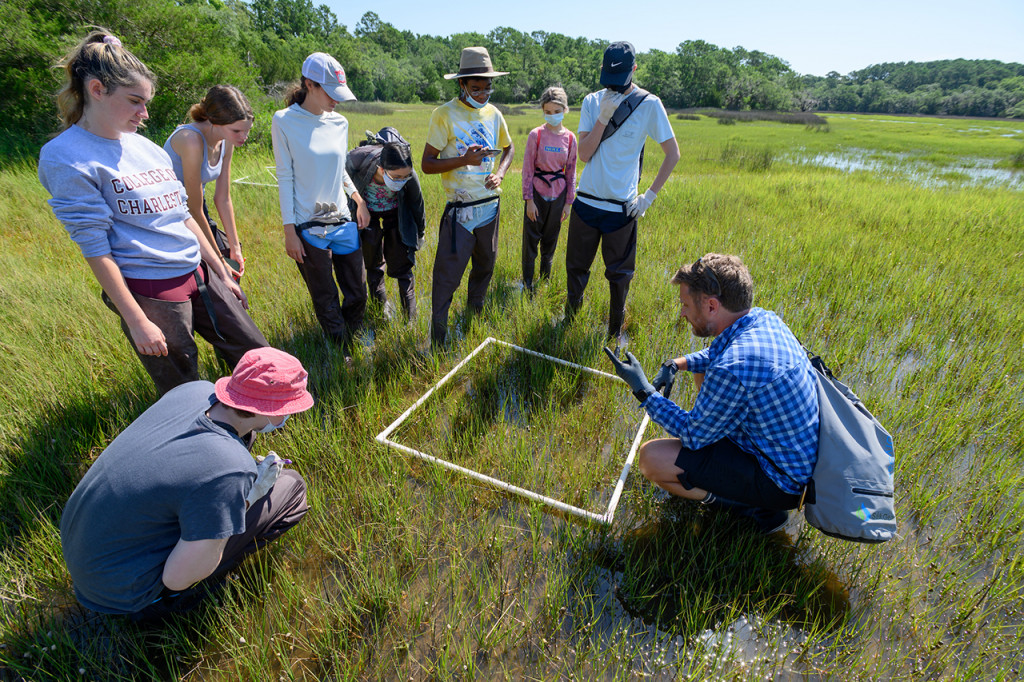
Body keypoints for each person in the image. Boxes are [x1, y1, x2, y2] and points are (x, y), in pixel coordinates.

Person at [37, 31, 269, 395]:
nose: (144, 114)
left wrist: (221, 271)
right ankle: (209, 449)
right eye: (134, 101)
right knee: (184, 388)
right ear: (97, 90)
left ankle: (254, 431)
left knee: (257, 356)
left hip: (199, 272)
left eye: (146, 102)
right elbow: (95, 248)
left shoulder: (146, 147)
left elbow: (184, 215)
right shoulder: (66, 156)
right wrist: (135, 320)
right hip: (153, 290)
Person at [60, 347, 314, 620]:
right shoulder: (229, 468)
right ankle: (181, 605)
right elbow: (176, 579)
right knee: (292, 486)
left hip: (88, 556)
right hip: (126, 595)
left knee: (242, 444)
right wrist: (251, 495)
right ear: (276, 413)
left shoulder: (195, 391)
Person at [605, 254, 820, 534]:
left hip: (781, 482)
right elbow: (716, 354)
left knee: (651, 459)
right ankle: (741, 490)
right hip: (790, 459)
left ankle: (749, 507)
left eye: (685, 304)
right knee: (700, 370)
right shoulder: (764, 320)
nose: (682, 312)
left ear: (711, 305)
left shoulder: (733, 369)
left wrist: (644, 391)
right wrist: (676, 364)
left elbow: (693, 435)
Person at [567, 41, 680, 339]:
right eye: (609, 81)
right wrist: (603, 116)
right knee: (576, 268)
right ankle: (570, 320)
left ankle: (614, 333)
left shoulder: (649, 105)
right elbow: (584, 154)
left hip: (621, 209)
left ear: (634, 69)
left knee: (620, 277)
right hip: (586, 204)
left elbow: (673, 154)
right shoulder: (592, 101)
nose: (613, 88)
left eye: (619, 81)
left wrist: (649, 197)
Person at [271, 52, 370, 350]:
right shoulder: (284, 121)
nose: (336, 100)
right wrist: (290, 231)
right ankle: (341, 351)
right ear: (309, 84)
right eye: (331, 92)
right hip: (308, 225)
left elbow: (339, 169)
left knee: (357, 291)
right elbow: (285, 177)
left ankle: (353, 337)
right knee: (325, 296)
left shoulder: (339, 122)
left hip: (342, 218)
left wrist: (358, 198)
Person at [421, 47, 514, 346]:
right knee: (447, 278)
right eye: (476, 89)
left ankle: (474, 318)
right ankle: (438, 337)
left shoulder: (494, 113)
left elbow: (509, 148)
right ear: (462, 85)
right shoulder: (444, 114)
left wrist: (499, 172)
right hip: (460, 210)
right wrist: (464, 160)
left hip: (490, 206)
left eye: (488, 88)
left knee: (485, 266)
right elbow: (426, 164)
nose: (484, 94)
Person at [164, 85, 254, 280]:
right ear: (215, 121)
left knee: (232, 265)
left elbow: (223, 198)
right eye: (237, 130)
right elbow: (193, 209)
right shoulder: (191, 140)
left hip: (195, 207)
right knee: (216, 272)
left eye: (247, 130)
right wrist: (219, 260)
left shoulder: (227, 140)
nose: (243, 137)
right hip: (170, 213)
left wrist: (235, 248)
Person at [346, 127, 426, 321]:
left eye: (404, 177)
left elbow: (417, 203)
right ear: (381, 169)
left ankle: (411, 319)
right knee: (373, 265)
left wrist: (421, 233)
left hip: (396, 215)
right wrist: (360, 204)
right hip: (367, 216)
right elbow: (341, 179)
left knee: (403, 267)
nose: (401, 181)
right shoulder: (359, 159)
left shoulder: (408, 173)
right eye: (396, 177)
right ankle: (382, 312)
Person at [521, 86, 577, 292]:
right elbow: (527, 169)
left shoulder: (570, 139)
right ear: (543, 111)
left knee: (550, 241)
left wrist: (569, 203)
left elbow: (571, 173)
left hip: (559, 195)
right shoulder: (536, 135)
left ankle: (544, 283)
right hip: (536, 193)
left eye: (556, 111)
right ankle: (527, 284)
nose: (552, 116)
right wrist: (529, 200)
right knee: (530, 241)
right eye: (548, 112)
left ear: (565, 110)